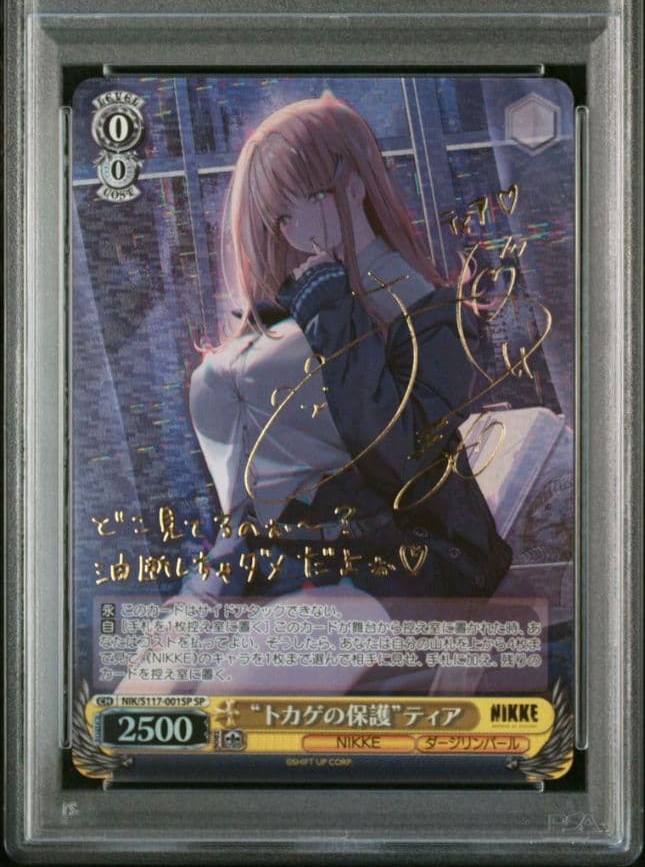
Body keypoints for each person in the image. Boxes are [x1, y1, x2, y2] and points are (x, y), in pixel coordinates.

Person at [186, 91, 512, 605]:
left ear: (354, 187)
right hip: (311, 561)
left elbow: (397, 458)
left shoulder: (429, 316)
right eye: (279, 219)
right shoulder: (305, 308)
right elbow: (255, 498)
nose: (293, 231)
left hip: (424, 559)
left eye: (304, 203)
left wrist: (330, 310)